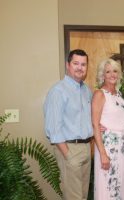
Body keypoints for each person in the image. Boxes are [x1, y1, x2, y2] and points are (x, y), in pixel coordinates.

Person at [44, 49, 92, 200]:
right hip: (69, 149)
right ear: (67, 65)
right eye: (76, 63)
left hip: (85, 148)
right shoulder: (58, 91)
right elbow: (54, 129)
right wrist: (68, 155)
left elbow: (87, 118)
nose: (80, 67)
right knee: (73, 197)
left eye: (83, 64)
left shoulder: (86, 90)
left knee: (83, 195)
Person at [92, 58, 124, 200]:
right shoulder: (99, 94)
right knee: (108, 187)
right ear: (102, 75)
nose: (112, 74)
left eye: (115, 71)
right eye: (107, 71)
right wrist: (103, 153)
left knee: (121, 185)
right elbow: (95, 125)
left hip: (122, 148)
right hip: (108, 148)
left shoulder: (119, 95)